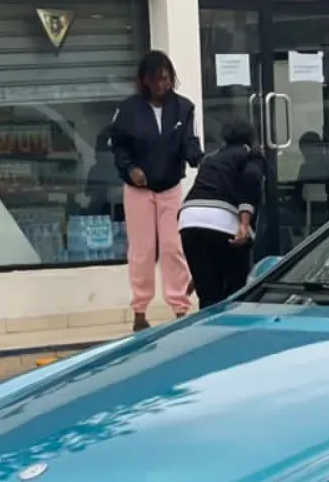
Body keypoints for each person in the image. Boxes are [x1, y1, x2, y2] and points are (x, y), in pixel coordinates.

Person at [107, 50, 202, 331]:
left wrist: (200, 159)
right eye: (157, 79)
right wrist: (130, 169)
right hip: (138, 190)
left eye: (167, 79)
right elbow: (118, 146)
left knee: (174, 247)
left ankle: (180, 308)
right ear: (144, 80)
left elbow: (190, 142)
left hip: (170, 187)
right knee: (142, 250)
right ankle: (139, 310)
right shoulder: (128, 110)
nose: (163, 85)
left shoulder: (184, 108)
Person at [179, 120, 266, 309]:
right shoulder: (251, 156)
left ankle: (209, 335)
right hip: (224, 221)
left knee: (208, 295)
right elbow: (250, 184)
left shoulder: (211, 158)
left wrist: (201, 272)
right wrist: (244, 224)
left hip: (189, 220)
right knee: (236, 290)